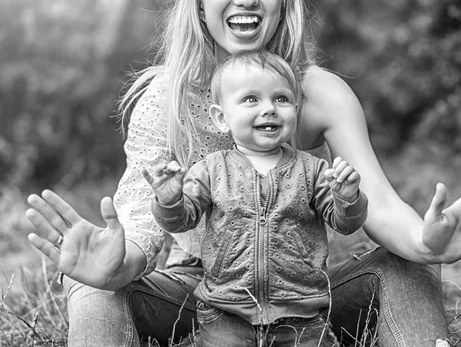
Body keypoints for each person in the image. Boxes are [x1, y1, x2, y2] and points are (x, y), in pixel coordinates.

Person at [25, 0, 461, 346]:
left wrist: (423, 242)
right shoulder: (166, 98)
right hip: (197, 294)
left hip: (301, 298)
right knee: (94, 284)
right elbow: (141, 214)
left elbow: (377, 201)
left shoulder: (319, 92)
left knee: (406, 266)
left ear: (283, 1)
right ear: (199, 2)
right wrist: (120, 264)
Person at [144, 50, 368, 346]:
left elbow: (346, 224)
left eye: (281, 99)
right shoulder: (211, 170)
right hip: (226, 314)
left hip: (301, 315)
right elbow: (180, 221)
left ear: (295, 108)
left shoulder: (312, 170)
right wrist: (169, 199)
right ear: (221, 118)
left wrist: (347, 197)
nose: (270, 109)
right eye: (251, 99)